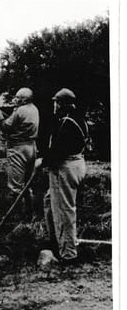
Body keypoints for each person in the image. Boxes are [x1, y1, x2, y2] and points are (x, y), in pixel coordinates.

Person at [38, 88, 88, 265]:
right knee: (49, 201)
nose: (54, 105)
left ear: (62, 104)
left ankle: (68, 254)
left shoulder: (66, 123)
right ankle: (55, 242)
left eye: (56, 102)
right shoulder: (79, 119)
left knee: (64, 210)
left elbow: (58, 151)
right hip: (77, 164)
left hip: (65, 167)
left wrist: (42, 161)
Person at [0, 87, 39, 220]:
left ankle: (15, 218)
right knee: (27, 184)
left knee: (15, 186)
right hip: (32, 148)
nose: (15, 99)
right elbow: (18, 122)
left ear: (25, 99)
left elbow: (5, 126)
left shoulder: (20, 110)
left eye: (18, 98)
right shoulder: (34, 109)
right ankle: (29, 215)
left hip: (18, 149)